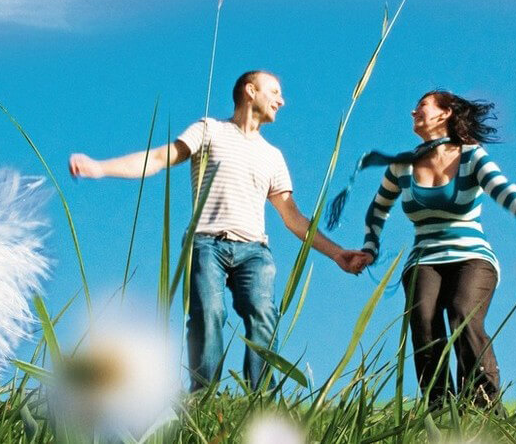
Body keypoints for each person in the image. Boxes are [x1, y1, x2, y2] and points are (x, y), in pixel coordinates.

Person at [69, 70, 367, 391]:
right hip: (206, 244)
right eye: (275, 92)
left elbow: (292, 216)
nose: (282, 100)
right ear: (250, 91)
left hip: (255, 251)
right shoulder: (209, 130)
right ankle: (203, 397)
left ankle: (261, 399)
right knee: (209, 315)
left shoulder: (273, 156)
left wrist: (337, 253)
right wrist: (100, 167)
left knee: (263, 316)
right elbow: (159, 158)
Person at [351, 90, 516, 407]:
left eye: (421, 106)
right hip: (424, 260)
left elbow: (502, 189)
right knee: (424, 321)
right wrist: (370, 248)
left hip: (472, 258)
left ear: (444, 114)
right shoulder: (402, 167)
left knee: (463, 312)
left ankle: (483, 404)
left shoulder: (471, 156)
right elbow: (377, 210)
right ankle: (438, 407)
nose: (413, 112)